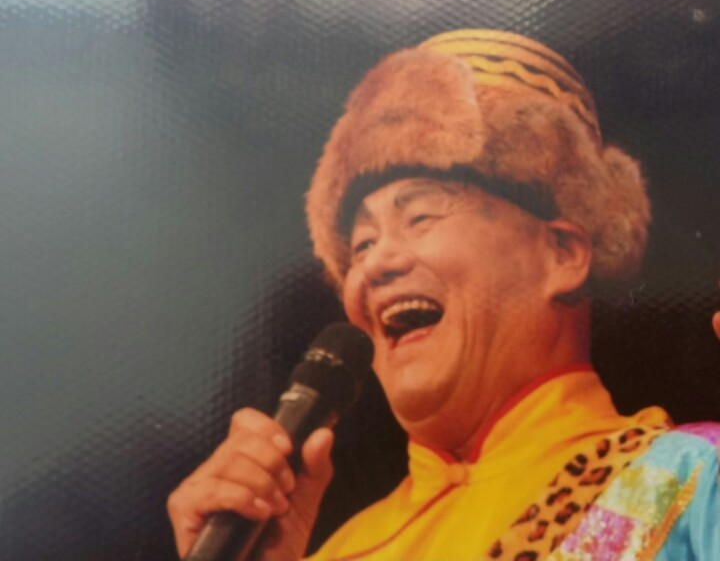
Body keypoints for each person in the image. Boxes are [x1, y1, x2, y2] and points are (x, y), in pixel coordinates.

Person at [168, 29, 720, 560]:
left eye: (421, 216)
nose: (373, 265)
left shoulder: (687, 481)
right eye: (361, 245)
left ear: (562, 253)